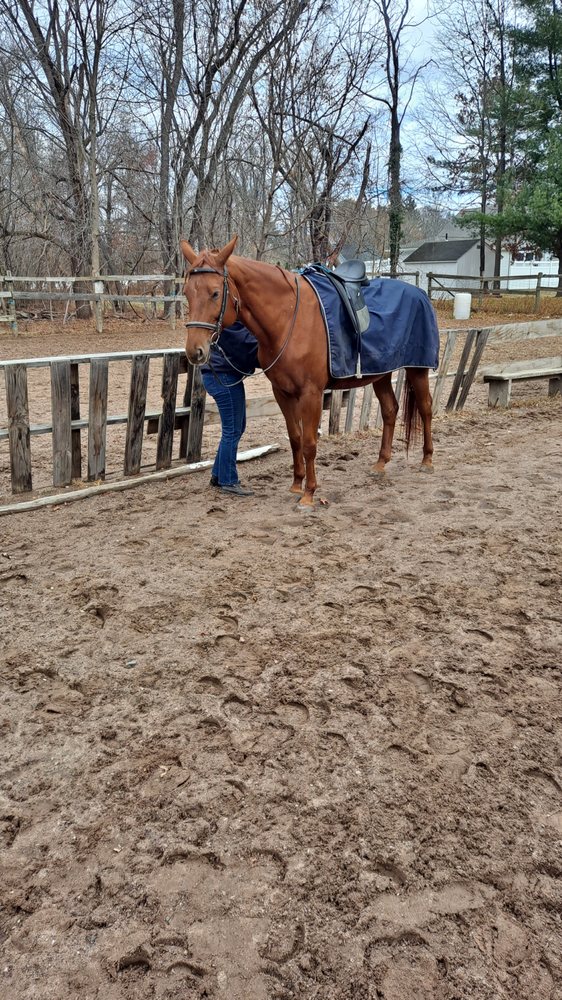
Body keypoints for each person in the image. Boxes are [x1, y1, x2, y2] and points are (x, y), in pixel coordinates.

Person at [201, 321, 259, 496]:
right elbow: (249, 345)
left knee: (236, 427)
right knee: (232, 430)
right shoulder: (231, 325)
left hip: (220, 375)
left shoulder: (227, 323)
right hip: (222, 376)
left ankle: (218, 475)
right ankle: (229, 481)